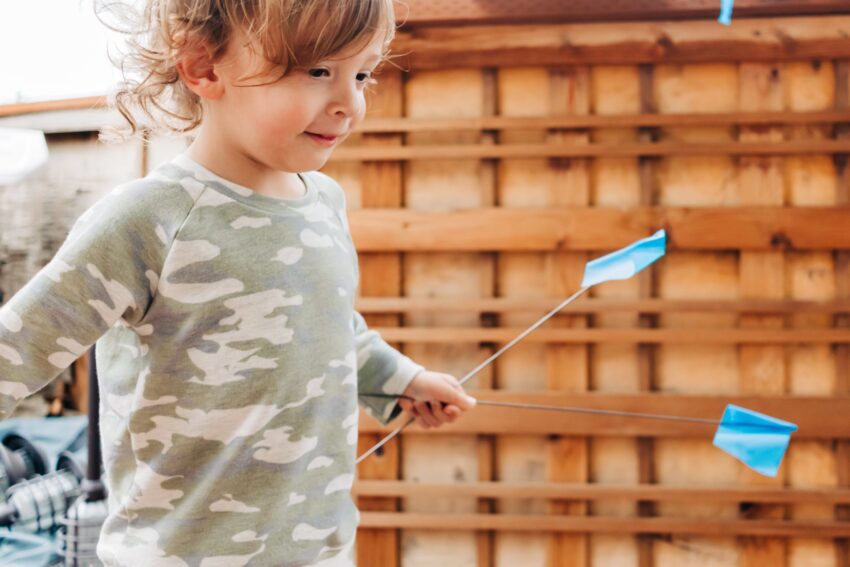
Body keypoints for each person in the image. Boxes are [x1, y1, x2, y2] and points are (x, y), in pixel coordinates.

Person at [0, 0, 476, 564]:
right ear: (203, 65)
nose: (349, 103)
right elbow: (18, 346)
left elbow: (327, 327)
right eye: (319, 71)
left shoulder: (325, 203)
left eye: (363, 74)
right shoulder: (149, 218)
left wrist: (402, 379)